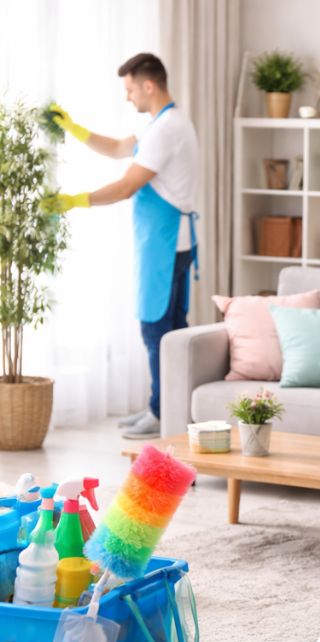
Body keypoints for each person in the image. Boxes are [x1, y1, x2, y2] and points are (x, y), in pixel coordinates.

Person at [42, 53, 199, 439]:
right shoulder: (160, 124)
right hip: (169, 241)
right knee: (172, 330)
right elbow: (117, 148)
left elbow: (128, 185)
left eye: (130, 89)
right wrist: (76, 130)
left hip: (165, 244)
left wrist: (75, 200)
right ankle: (164, 408)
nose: (127, 97)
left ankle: (163, 413)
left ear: (149, 85)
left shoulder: (167, 129)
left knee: (156, 328)